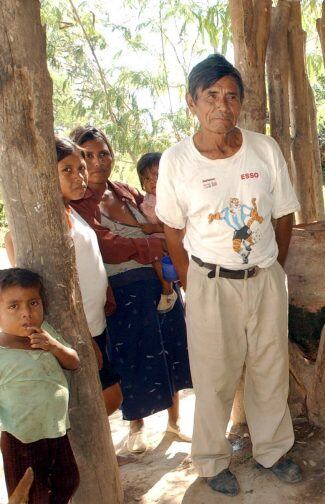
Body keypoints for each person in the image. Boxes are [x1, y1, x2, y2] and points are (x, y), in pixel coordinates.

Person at [155, 54, 302, 497]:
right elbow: (172, 229)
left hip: (264, 279)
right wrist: (192, 282)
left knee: (270, 368)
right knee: (213, 376)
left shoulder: (264, 148)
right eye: (211, 96)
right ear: (192, 103)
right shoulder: (177, 161)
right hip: (209, 282)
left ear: (241, 103)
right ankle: (212, 461)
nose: (223, 105)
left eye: (231, 96)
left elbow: (283, 215)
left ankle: (273, 450)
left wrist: (271, 265)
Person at [69, 125, 192, 453]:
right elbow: (106, 245)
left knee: (170, 351)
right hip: (124, 292)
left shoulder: (121, 189)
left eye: (103, 153)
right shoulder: (78, 202)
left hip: (159, 284)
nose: (97, 162)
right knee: (134, 359)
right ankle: (136, 425)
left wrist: (160, 241)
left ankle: (174, 422)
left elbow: (161, 214)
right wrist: (153, 243)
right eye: (88, 156)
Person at [5, 136, 124, 419]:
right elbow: (16, 248)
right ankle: (82, 459)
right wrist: (81, 334)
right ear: (46, 173)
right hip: (76, 327)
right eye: (67, 170)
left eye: (81, 168)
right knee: (104, 398)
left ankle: (94, 459)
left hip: (94, 321)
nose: (80, 176)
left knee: (100, 397)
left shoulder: (68, 210)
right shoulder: (43, 221)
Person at [0, 268, 80, 503]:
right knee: (29, 494)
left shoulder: (47, 333)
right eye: (13, 306)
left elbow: (73, 362)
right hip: (20, 439)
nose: (26, 313)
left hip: (55, 430)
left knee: (68, 481)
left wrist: (53, 346)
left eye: (33, 302)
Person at [135, 152, 178, 312]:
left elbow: (173, 226)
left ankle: (168, 290)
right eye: (146, 178)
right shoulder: (147, 200)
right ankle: (168, 288)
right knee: (154, 257)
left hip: (171, 241)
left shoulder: (169, 198)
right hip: (157, 243)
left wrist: (153, 228)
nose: (152, 182)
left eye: (157, 176)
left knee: (158, 258)